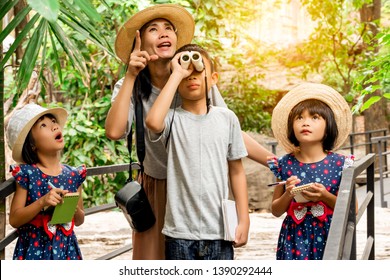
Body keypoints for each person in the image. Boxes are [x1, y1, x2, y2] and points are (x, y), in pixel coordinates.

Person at [105, 4, 273, 260]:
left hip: (198, 187)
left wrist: (276, 163)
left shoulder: (196, 78)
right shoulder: (131, 83)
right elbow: (115, 132)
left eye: (169, 28)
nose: (163, 33)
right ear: (139, 42)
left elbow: (226, 129)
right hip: (158, 185)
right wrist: (130, 75)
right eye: (153, 29)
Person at [145, 43, 250, 260]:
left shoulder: (226, 118)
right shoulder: (171, 118)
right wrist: (175, 74)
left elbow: (237, 171)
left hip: (220, 231)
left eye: (198, 71)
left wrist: (244, 219)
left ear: (213, 79)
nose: (191, 77)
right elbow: (153, 122)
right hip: (180, 233)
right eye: (185, 73)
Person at [267, 83, 355, 260]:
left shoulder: (340, 164)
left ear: (328, 124)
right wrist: (288, 194)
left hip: (329, 236)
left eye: (314, 117)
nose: (305, 122)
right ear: (292, 126)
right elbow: (275, 210)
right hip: (293, 239)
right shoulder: (284, 164)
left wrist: (325, 196)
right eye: (299, 118)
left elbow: (353, 209)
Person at [6, 103, 86, 260]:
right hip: (34, 253)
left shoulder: (73, 175)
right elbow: (14, 219)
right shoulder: (28, 174)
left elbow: (79, 220)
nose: (54, 127)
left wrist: (72, 206)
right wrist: (42, 202)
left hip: (66, 251)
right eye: (43, 125)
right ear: (32, 145)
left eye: (54, 122)